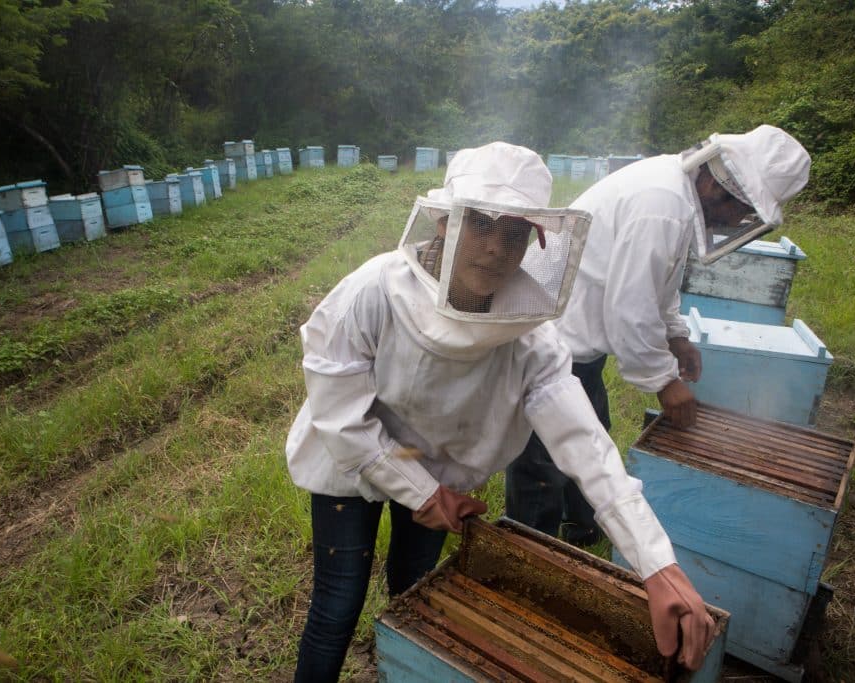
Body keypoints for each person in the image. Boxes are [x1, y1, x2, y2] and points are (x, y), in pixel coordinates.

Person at [286, 141, 716, 682]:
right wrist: (420, 492)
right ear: (443, 223)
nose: (495, 248)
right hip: (347, 464)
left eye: (514, 231)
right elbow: (342, 417)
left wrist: (657, 563)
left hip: (436, 465)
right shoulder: (370, 293)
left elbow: (587, 447)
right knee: (338, 601)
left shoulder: (531, 337)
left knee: (415, 590)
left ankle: (400, 666)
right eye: (481, 225)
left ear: (533, 240)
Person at [506, 125, 812, 545]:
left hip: (575, 341)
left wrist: (675, 334)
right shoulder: (662, 203)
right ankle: (527, 552)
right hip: (548, 339)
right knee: (543, 461)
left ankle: (582, 527)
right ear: (717, 184)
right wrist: (665, 382)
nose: (738, 221)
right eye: (743, 210)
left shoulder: (675, 194)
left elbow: (659, 281)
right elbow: (629, 308)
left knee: (591, 436)